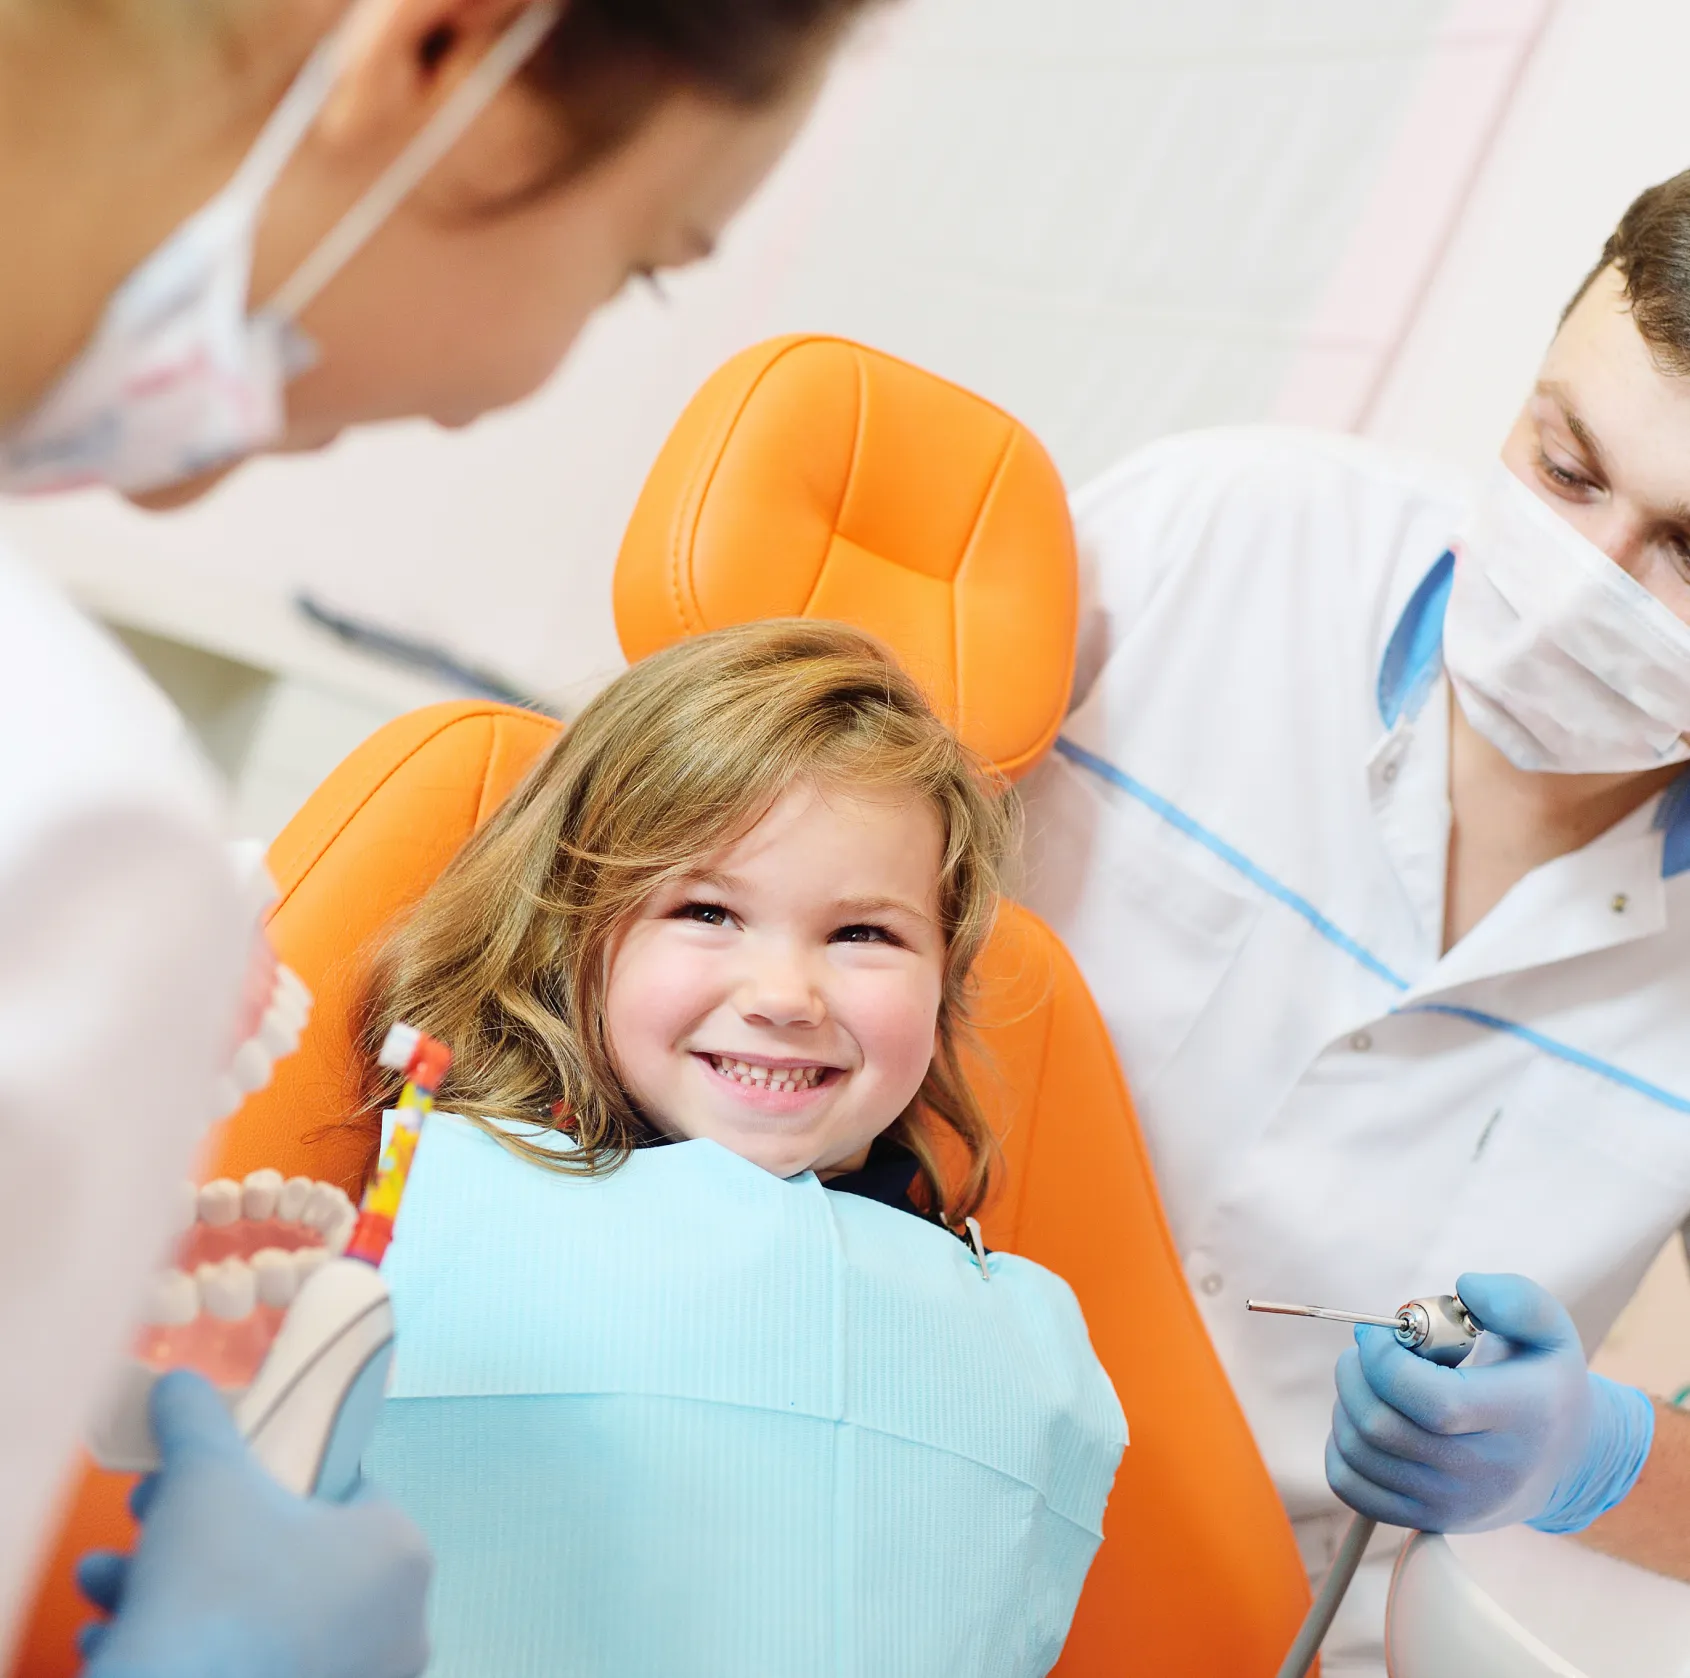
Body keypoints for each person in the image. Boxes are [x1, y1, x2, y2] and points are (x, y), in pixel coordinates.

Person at [0, 1, 878, 1673]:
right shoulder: (69, 816)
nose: (526, 382)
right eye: (644, 260)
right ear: (441, 55)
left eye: (866, 927)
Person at [1018, 167, 1690, 1674]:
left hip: (1263, 1626)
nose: (1581, 586)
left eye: (1689, 555)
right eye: (1563, 464)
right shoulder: (1217, 539)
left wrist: (1590, 1454)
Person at [348, 620, 1125, 1675]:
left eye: (864, 934)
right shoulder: (449, 1191)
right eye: (707, 910)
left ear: (947, 978)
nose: (783, 998)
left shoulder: (982, 1308)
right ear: (573, 925)